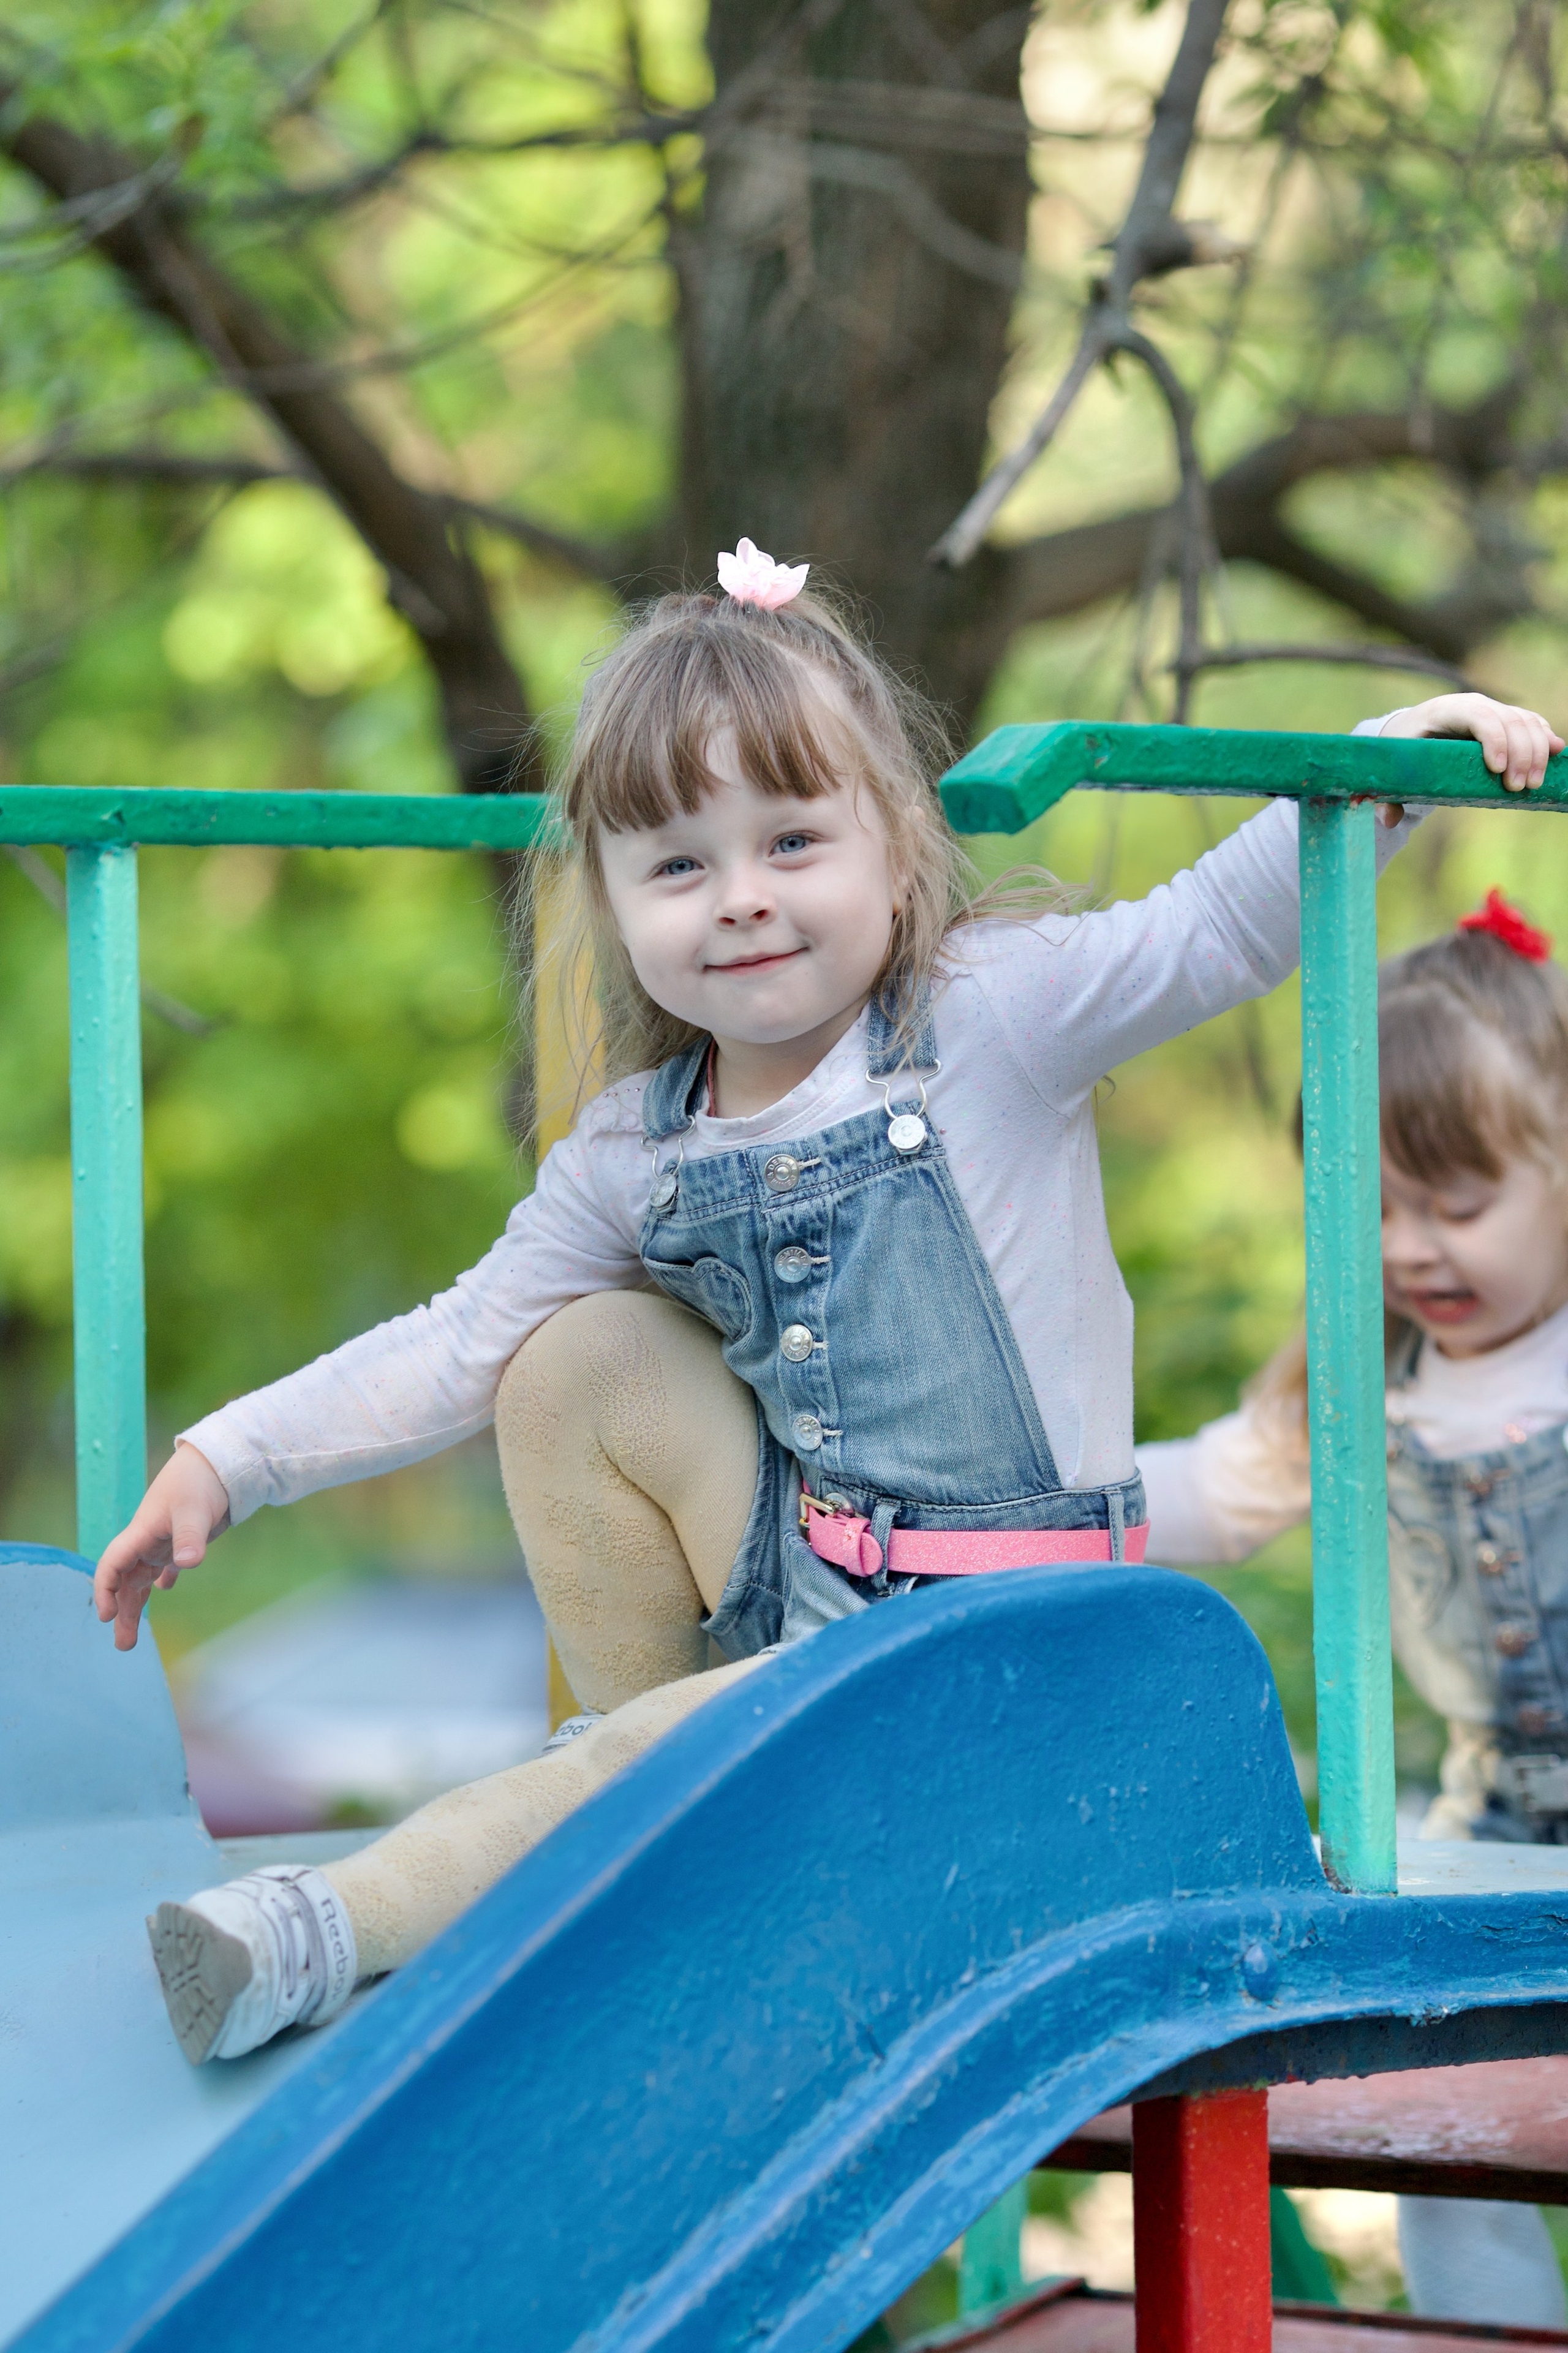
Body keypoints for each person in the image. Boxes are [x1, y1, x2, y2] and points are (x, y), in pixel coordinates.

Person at [94, 536, 1557, 2066]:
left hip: (1018, 1647)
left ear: (891, 841)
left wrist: (1379, 772)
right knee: (566, 1356)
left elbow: (1215, 928)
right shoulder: (634, 1148)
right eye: (676, 863)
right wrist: (225, 1459)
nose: (738, 899)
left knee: (672, 1749)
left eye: (790, 841)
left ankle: (337, 1925)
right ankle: (680, 1820)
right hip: (806, 1613)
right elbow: (455, 1342)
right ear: (606, 891)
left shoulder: (993, 1021)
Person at [1138, 890, 1568, 2329]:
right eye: (1369, 1208)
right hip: (1483, 1824)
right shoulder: (1356, 1373)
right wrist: (1027, 1501)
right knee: (1443, 2121)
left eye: (1456, 1204)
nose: (1410, 1248)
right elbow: (1204, 1488)